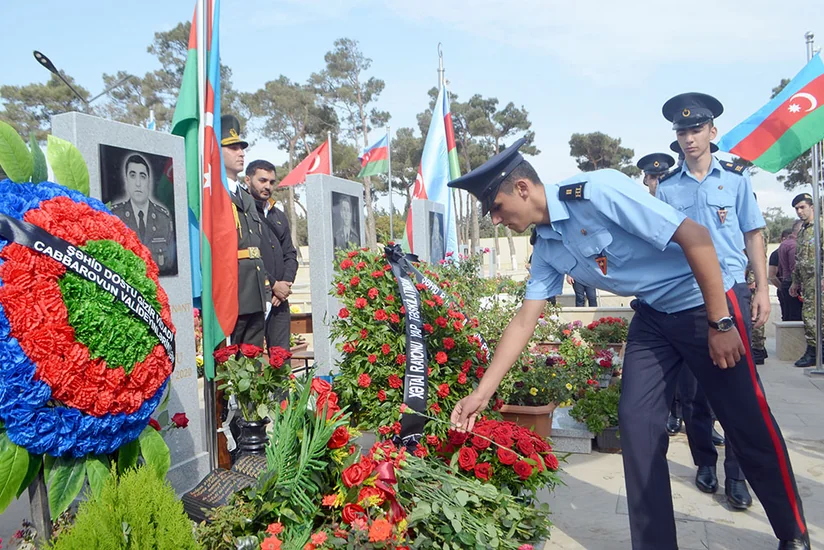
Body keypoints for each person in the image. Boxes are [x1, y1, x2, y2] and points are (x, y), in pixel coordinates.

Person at [448, 138, 808, 550]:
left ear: (524, 188)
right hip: (654, 317)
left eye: (496, 206)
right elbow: (525, 319)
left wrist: (721, 322)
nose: (495, 220)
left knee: (745, 420)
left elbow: (697, 238)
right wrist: (482, 392)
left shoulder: (597, 192)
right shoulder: (546, 246)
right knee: (636, 427)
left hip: (703, 304)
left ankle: (792, 531)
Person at [656, 93, 766, 509]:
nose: (688, 138)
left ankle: (738, 475)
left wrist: (759, 290)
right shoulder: (666, 188)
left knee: (740, 390)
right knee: (695, 389)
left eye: (696, 129)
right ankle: (705, 460)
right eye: (682, 131)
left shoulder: (736, 179)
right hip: (687, 297)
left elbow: (753, 234)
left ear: (712, 131)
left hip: (732, 291)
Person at [221, 114, 270, 348]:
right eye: (232, 147)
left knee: (252, 362)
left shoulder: (245, 196)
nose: (241, 153)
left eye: (242, 148)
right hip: (232, 289)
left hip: (255, 288)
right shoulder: (215, 195)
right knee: (227, 363)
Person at [244, 159, 298, 351]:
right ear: (248, 179)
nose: (267, 186)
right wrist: (273, 285)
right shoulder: (242, 212)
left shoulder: (278, 215)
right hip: (254, 298)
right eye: (262, 180)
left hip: (279, 301)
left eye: (272, 182)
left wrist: (284, 285)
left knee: (281, 360)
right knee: (250, 362)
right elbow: (247, 256)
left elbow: (290, 254)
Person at [110, 152, 176, 275]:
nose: (138, 183)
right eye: (132, 175)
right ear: (126, 180)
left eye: (143, 176)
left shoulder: (163, 218)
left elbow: (170, 264)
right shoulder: (115, 216)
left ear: (149, 181)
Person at [790, 193, 823, 367]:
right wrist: (796, 281)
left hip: (819, 280)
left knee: (813, 316)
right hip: (807, 280)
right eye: (796, 209)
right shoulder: (803, 230)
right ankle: (815, 350)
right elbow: (799, 257)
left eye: (802, 207)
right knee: (810, 315)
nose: (799, 211)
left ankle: (814, 352)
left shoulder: (820, 226)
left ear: (812, 207)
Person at [779, 219, 803, 322]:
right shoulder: (794, 245)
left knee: (787, 316)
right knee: (796, 317)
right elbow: (794, 266)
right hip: (793, 284)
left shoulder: (784, 244)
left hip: (786, 281)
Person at [771, 228, 793, 321]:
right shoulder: (776, 254)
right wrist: (783, 288)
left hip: (792, 288)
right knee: (787, 316)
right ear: (783, 239)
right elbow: (772, 276)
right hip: (785, 287)